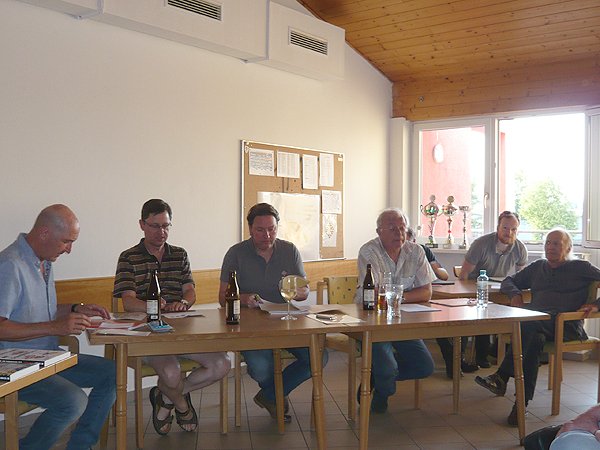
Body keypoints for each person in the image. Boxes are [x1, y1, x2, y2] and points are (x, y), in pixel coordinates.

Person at [0, 204, 116, 450]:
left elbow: (40, 311)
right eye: (66, 241)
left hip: (48, 359)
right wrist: (55, 327)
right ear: (44, 233)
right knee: (72, 402)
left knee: (112, 373)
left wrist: (75, 309)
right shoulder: (10, 264)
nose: (69, 249)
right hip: (14, 366)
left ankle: (80, 446)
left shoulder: (44, 262)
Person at [113, 199, 230, 435]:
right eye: (155, 226)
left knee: (222, 364)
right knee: (171, 372)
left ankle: (165, 397)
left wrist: (183, 303)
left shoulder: (179, 254)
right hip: (150, 334)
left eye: (166, 226)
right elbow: (128, 302)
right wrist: (153, 306)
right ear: (142, 225)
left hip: (183, 332)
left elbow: (190, 292)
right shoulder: (128, 257)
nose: (161, 232)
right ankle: (182, 405)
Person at [475, 228, 600, 426]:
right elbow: (509, 281)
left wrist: (596, 305)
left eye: (556, 243)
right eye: (548, 243)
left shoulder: (580, 267)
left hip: (566, 325)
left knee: (528, 325)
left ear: (568, 247)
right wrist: (515, 294)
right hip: (536, 326)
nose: (550, 247)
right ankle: (520, 405)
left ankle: (502, 376)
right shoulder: (538, 267)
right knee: (534, 337)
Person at [219, 202, 327, 423]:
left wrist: (300, 292)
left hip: (287, 321)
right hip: (251, 325)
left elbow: (304, 289)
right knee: (260, 368)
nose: (267, 235)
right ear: (250, 229)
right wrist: (244, 298)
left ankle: (271, 396)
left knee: (318, 356)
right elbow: (222, 298)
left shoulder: (289, 250)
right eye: (260, 230)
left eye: (272, 229)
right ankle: (276, 395)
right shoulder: (236, 253)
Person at [354, 208, 435, 413]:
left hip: (402, 321)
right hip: (372, 321)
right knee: (387, 369)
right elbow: (375, 293)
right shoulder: (369, 251)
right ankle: (383, 387)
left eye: (402, 228)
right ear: (379, 231)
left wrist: (396, 298)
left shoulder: (416, 251)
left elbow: (426, 292)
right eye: (392, 229)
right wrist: (403, 296)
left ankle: (377, 376)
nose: (399, 233)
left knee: (425, 366)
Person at [405, 227, 478, 377]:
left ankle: (457, 359)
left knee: (458, 316)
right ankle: (452, 360)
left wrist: (431, 266)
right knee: (436, 320)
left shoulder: (422, 250)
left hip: (431, 293)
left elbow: (444, 276)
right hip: (411, 298)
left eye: (408, 242)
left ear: (414, 241)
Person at [459, 210, 528, 368]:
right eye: (505, 228)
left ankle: (496, 352)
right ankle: (473, 356)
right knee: (482, 312)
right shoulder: (481, 244)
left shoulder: (520, 248)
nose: (509, 232)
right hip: (475, 287)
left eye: (513, 229)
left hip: (499, 289)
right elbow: (464, 274)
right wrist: (464, 296)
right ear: (498, 227)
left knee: (512, 310)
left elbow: (522, 276)